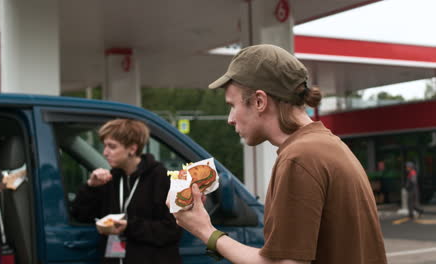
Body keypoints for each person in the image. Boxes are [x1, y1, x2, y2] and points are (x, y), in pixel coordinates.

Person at [171, 44, 387, 264]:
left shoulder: (300, 158)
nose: (230, 119)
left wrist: (205, 231)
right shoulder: (326, 146)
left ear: (259, 101)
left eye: (232, 105)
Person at [70, 119, 182, 264]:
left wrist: (129, 227)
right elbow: (80, 215)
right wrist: (91, 187)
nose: (105, 152)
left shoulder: (160, 178)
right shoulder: (111, 179)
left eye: (112, 147)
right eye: (105, 146)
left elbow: (172, 229)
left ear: (132, 149)